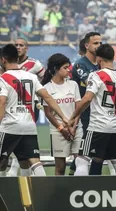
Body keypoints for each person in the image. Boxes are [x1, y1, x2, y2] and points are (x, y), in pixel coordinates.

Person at [0, 44, 69, 177]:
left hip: (9, 126)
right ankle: (41, 192)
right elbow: (47, 97)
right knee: (35, 161)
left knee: (3, 162)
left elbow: (2, 102)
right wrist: (64, 117)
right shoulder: (31, 77)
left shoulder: (2, 79)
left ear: (3, 60)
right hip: (29, 127)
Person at [69, 44, 116, 176]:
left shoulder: (96, 75)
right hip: (115, 126)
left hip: (98, 125)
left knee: (81, 160)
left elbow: (87, 99)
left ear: (99, 59)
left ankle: (81, 191)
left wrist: (73, 117)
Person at [6, 38, 46, 176]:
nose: (18, 47)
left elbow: (44, 79)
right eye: (16, 45)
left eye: (21, 45)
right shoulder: (6, 65)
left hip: (28, 106)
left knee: (22, 137)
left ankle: (15, 169)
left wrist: (37, 96)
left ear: (26, 48)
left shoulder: (34, 64)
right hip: (10, 104)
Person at [41, 53, 83, 176]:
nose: (68, 70)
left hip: (76, 129)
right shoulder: (47, 88)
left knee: (81, 163)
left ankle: (79, 191)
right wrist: (61, 128)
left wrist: (73, 127)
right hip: (58, 131)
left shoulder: (73, 84)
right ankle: (59, 193)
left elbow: (78, 107)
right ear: (55, 69)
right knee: (60, 168)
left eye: (68, 67)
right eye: (65, 67)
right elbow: (48, 113)